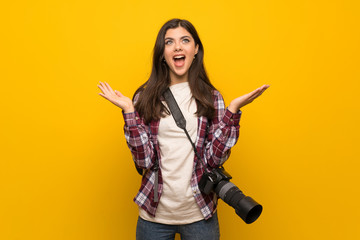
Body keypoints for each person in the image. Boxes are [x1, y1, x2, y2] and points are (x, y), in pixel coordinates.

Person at [98, 18, 269, 240]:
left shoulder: (211, 98)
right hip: (154, 217)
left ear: (195, 49)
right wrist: (130, 112)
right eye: (169, 42)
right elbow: (145, 161)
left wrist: (232, 112)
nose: (178, 47)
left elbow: (213, 160)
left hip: (199, 214)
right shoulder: (145, 97)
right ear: (162, 53)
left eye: (185, 40)